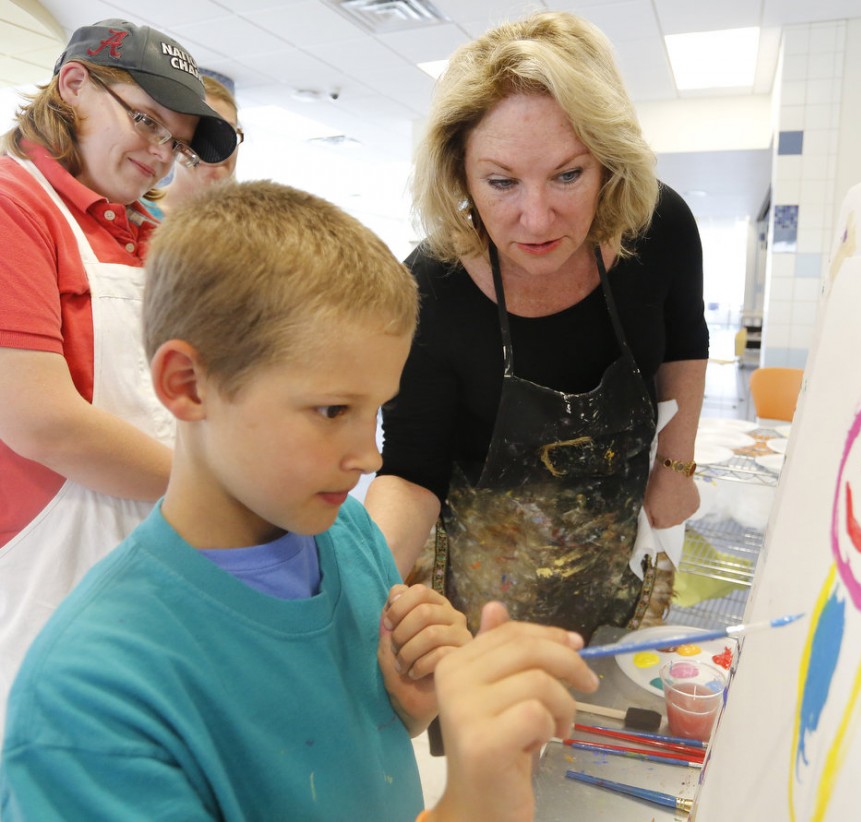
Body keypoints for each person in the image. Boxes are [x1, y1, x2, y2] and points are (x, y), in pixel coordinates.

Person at [0, 180, 599, 821]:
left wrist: (402, 705)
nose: (369, 457)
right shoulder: (95, 698)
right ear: (187, 385)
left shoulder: (349, 538)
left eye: (375, 411)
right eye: (333, 409)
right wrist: (475, 805)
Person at [365, 11, 709, 641]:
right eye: (501, 182)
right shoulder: (430, 291)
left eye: (568, 175)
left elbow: (686, 342)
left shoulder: (658, 228)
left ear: (609, 164)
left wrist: (676, 464)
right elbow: (412, 472)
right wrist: (356, 596)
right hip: (484, 599)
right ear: (459, 174)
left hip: (618, 561)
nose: (535, 218)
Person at [0, 19, 239, 734]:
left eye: (174, 141)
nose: (160, 154)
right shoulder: (16, 208)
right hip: (41, 575)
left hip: (147, 563)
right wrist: (221, 490)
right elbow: (40, 419)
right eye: (145, 121)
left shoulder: (151, 230)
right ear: (73, 84)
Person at [142, 75, 243, 219]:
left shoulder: (257, 223)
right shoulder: (135, 216)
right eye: (201, 133)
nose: (216, 148)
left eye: (228, 134)